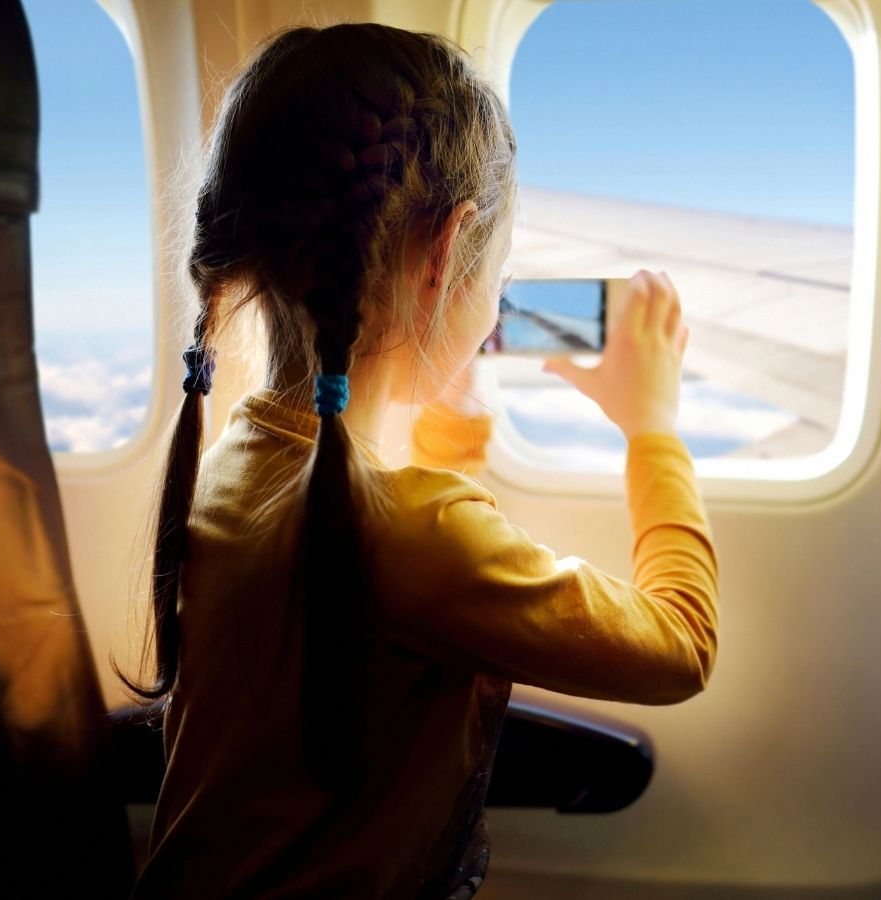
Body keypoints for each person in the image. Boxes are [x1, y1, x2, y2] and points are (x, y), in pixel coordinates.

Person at [125, 23, 719, 899]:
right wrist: (653, 426)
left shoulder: (235, 464)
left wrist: (450, 420)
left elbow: (392, 560)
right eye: (497, 269)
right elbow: (681, 646)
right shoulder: (419, 535)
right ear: (446, 254)